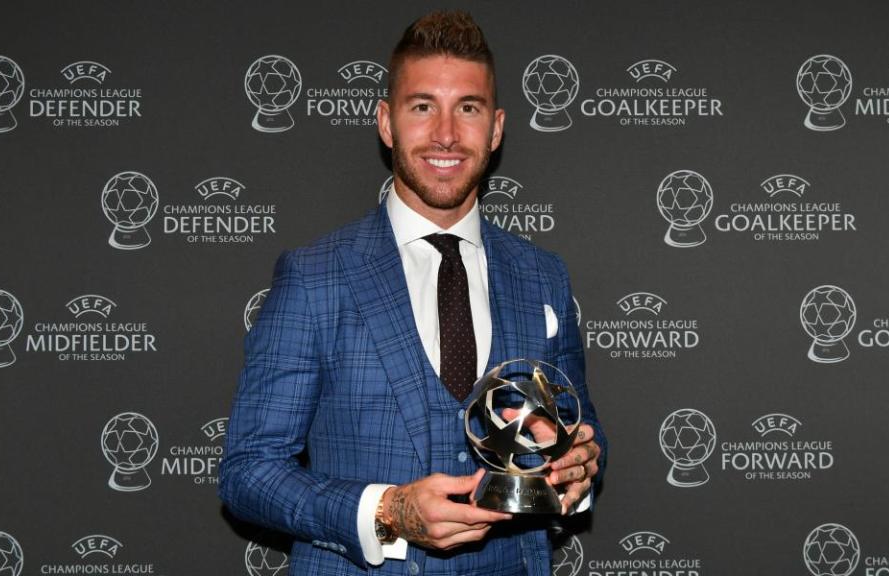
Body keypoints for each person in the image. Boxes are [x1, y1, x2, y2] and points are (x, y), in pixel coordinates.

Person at [219, 10, 606, 576]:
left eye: (467, 109)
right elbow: (249, 472)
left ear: (496, 128)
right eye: (422, 106)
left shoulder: (542, 275)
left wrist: (577, 467)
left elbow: (581, 432)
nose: (446, 134)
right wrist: (389, 511)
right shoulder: (315, 276)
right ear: (386, 122)